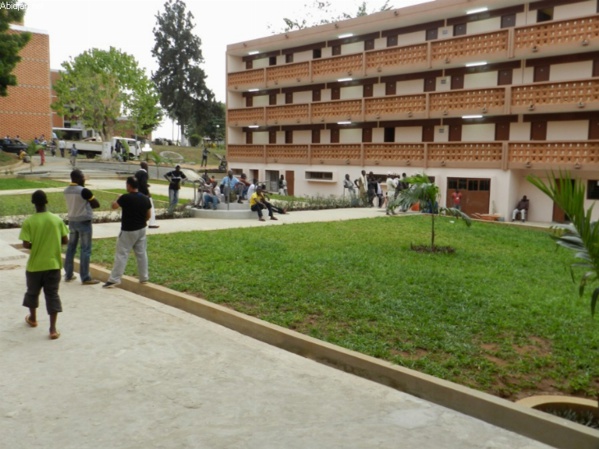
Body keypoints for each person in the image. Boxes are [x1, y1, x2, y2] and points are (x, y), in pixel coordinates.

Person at [19, 190, 69, 340]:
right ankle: (53, 329)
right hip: (53, 264)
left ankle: (33, 319)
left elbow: (26, 244)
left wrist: (38, 244)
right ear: (47, 201)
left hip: (35, 266)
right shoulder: (56, 220)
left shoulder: (29, 221)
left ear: (33, 203)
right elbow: (65, 240)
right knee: (52, 294)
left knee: (32, 292)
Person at [103, 177, 152, 288]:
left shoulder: (125, 198)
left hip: (128, 230)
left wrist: (118, 198)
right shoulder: (145, 198)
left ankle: (114, 279)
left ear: (129, 185)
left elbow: (114, 206)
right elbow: (148, 215)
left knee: (122, 254)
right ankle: (144, 277)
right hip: (142, 229)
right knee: (141, 254)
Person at [64, 169, 100, 285]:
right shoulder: (84, 191)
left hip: (72, 221)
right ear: (78, 178)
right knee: (85, 249)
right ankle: (85, 277)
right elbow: (96, 204)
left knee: (71, 248)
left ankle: (68, 274)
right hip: (84, 221)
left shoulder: (66, 190)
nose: (84, 178)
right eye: (83, 177)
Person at [135, 161, 159, 228]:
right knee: (150, 207)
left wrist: (145, 184)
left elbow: (138, 183)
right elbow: (143, 183)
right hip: (144, 193)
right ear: (145, 166)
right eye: (147, 165)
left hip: (137, 193)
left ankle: (139, 222)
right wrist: (148, 193)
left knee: (139, 209)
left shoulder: (137, 173)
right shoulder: (144, 173)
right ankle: (152, 223)